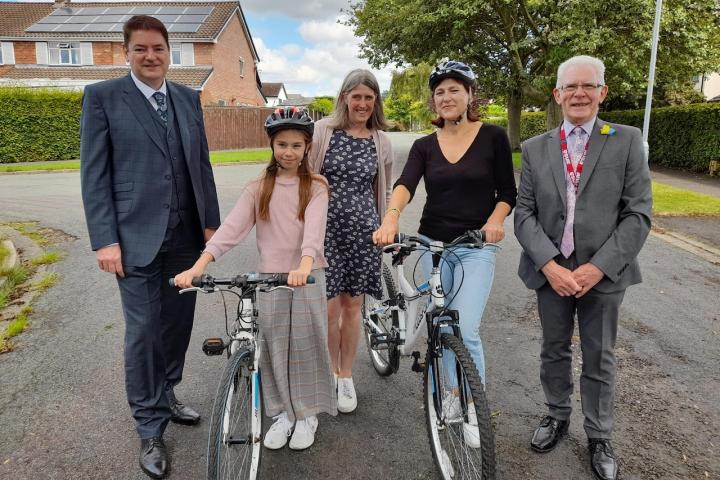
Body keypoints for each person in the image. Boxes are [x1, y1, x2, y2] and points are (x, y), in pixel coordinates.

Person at [79, 15, 220, 479]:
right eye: (140, 49)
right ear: (127, 53)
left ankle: (167, 392)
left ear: (168, 50)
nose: (151, 56)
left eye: (158, 48)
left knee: (177, 324)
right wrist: (105, 240)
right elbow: (94, 174)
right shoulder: (102, 98)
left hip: (184, 237)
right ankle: (149, 427)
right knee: (143, 333)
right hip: (133, 239)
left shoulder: (187, 98)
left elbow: (200, 165)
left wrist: (210, 227)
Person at [514, 55, 652, 480]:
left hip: (603, 274)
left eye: (588, 86)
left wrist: (599, 267)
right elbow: (524, 213)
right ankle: (556, 415)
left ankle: (599, 434)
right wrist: (551, 265)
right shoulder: (536, 148)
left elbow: (638, 214)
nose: (579, 94)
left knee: (600, 356)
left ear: (602, 93)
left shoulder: (627, 141)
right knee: (553, 349)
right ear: (557, 94)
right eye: (570, 87)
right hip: (551, 272)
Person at [174, 107, 337, 451]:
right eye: (282, 144)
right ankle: (282, 414)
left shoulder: (317, 187)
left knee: (306, 345)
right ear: (272, 145)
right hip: (269, 278)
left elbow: (314, 232)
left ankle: (307, 414)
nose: (288, 152)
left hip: (307, 275)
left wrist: (305, 264)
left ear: (307, 147)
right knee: (274, 346)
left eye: (296, 145)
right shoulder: (259, 187)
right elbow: (231, 229)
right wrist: (199, 265)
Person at [373, 59, 516, 408]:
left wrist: (494, 223)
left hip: (475, 245)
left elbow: (508, 193)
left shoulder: (493, 137)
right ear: (433, 101)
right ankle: (449, 392)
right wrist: (392, 217)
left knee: (464, 329)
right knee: (442, 322)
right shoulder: (425, 145)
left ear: (469, 94)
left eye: (454, 89)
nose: (447, 96)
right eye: (440, 92)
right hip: (433, 243)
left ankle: (470, 406)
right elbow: (406, 184)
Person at [308, 69, 393, 413]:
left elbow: (385, 188)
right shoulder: (323, 131)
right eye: (356, 96)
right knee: (328, 308)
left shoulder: (381, 140)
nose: (362, 103)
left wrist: (386, 225)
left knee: (352, 307)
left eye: (368, 98)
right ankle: (328, 372)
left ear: (375, 102)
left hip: (363, 232)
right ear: (344, 97)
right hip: (325, 231)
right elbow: (307, 175)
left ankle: (346, 376)